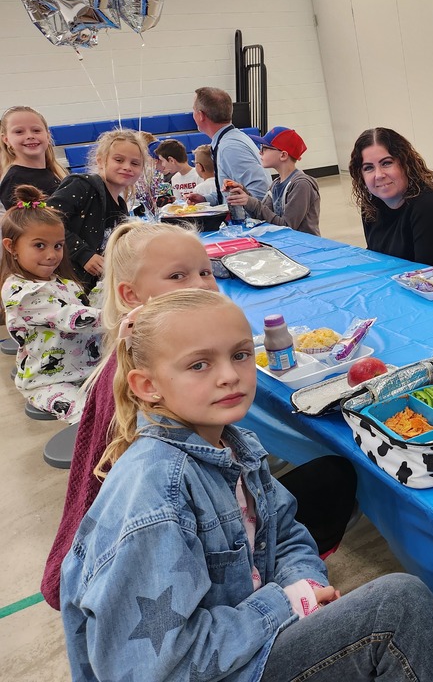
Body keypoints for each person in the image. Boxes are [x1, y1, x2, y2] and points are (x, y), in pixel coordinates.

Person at [61, 289, 433, 682]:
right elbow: (150, 668)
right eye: (199, 364)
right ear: (148, 386)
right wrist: (282, 605)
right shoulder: (155, 493)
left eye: (239, 355)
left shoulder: (237, 445)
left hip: (249, 641)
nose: (229, 375)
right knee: (398, 605)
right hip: (224, 667)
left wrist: (304, 587)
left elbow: (286, 532)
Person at [40, 220, 357, 609]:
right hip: (217, 607)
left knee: (323, 480)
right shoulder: (151, 469)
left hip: (228, 553)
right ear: (130, 295)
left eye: (205, 271)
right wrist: (276, 607)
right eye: (178, 275)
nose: (201, 285)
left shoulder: (225, 436)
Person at [1, 185, 102, 421]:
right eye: (39, 245)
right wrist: (120, 316)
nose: (52, 254)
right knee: (89, 417)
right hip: (48, 383)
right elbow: (73, 318)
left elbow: (88, 307)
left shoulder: (62, 282)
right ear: (11, 246)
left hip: (87, 369)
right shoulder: (22, 293)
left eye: (57, 245)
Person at [349, 127, 433, 265]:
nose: (379, 175)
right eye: (368, 168)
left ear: (405, 163)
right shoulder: (371, 204)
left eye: (386, 163)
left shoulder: (432, 205)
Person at [47, 129, 146, 291]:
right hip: (65, 282)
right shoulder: (82, 185)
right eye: (119, 160)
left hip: (91, 287)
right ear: (101, 161)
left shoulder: (120, 205)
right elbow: (47, 221)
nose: (127, 167)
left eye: (135, 163)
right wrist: (82, 253)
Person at [226, 126, 321, 235]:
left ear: (283, 155)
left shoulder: (301, 184)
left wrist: (251, 202)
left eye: (264, 148)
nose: (260, 152)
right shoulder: (276, 183)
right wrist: (243, 193)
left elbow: (286, 226)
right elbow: (264, 216)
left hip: (304, 247)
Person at [187, 86, 270, 205]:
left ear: (201, 115)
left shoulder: (230, 147)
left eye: (193, 110)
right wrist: (206, 199)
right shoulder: (230, 139)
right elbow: (235, 193)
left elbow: (259, 194)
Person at [0, 105, 66, 209]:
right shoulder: (13, 180)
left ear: (48, 136)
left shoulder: (57, 172)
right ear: (6, 140)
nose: (30, 136)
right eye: (19, 132)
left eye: (36, 130)